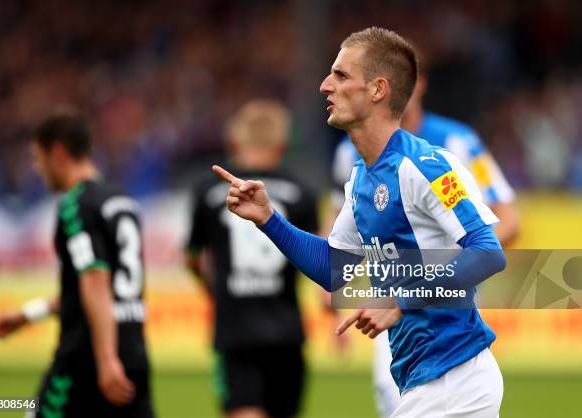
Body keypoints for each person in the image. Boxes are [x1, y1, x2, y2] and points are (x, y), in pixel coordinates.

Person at [213, 27, 506, 418]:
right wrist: (268, 218)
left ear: (378, 89)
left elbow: (488, 253)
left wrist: (401, 300)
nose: (324, 86)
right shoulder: (362, 178)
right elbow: (334, 269)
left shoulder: (425, 166)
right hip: (424, 381)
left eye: (341, 75)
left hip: (454, 381)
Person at [329, 67, 519, 416]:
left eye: (341, 77)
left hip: (445, 309)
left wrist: (446, 271)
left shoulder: (455, 143)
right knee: (393, 391)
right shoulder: (353, 157)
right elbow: (340, 233)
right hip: (396, 315)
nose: (328, 87)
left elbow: (505, 224)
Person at [0, 112, 153, 418]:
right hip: (133, 351)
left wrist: (105, 359)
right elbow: (92, 291)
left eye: (38, 159)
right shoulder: (121, 200)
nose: (37, 169)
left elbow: (94, 279)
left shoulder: (76, 205)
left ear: (58, 153)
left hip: (88, 358)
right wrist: (28, 314)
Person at [186, 99, 318, 418]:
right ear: (283, 145)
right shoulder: (302, 192)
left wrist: (213, 287)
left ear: (234, 141)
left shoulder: (209, 192)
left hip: (235, 331)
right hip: (287, 331)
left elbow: (192, 256)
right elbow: (316, 257)